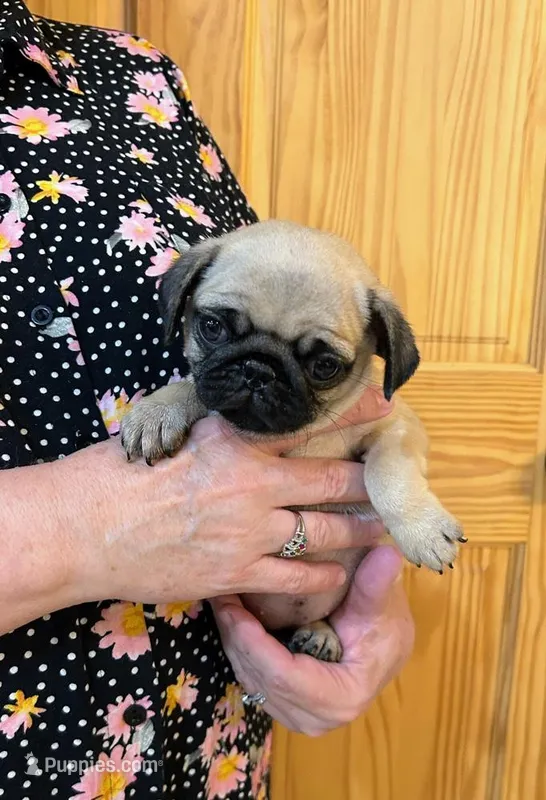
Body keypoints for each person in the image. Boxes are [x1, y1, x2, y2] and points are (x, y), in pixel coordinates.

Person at [0, 2, 414, 798]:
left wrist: (362, 604)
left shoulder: (133, 74)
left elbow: (300, 316)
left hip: (208, 745)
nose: (255, 373)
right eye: (221, 330)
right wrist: (77, 530)